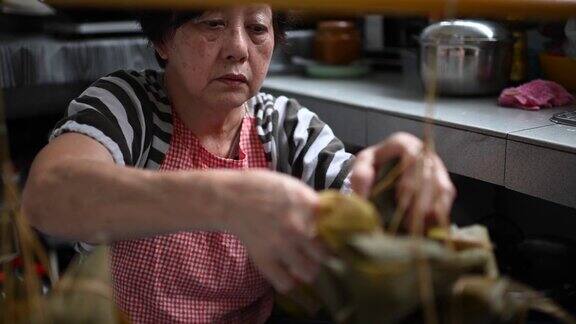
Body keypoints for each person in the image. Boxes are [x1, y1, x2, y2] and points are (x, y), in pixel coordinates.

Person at [22, 5, 455, 323]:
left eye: (257, 29)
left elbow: (360, 200)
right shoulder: (129, 105)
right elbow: (48, 196)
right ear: (162, 40)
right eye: (212, 23)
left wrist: (398, 177)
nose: (238, 49)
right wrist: (229, 198)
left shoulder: (283, 127)